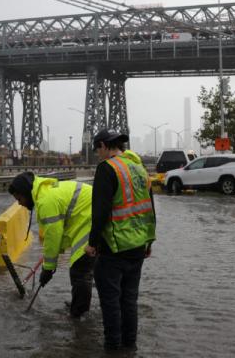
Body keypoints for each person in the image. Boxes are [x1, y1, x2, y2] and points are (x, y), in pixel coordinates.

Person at [85, 129, 156, 351]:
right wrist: (149, 242)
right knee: (129, 300)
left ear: (105, 146)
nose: (98, 154)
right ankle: (130, 346)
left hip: (114, 248)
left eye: (98, 149)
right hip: (138, 246)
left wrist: (92, 243)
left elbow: (100, 212)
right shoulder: (139, 169)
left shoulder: (107, 169)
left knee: (110, 302)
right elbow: (149, 208)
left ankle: (113, 348)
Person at [8, 172, 95, 318]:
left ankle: (78, 312)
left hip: (91, 220)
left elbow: (53, 235)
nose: (19, 203)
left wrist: (48, 268)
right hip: (88, 217)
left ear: (26, 193)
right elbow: (57, 233)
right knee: (88, 269)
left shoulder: (46, 201)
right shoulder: (45, 192)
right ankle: (82, 304)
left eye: (19, 198)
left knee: (80, 270)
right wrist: (50, 261)